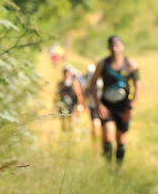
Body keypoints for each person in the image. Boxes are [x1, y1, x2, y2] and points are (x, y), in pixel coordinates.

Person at [88, 36, 141, 169]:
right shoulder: (103, 64)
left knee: (121, 138)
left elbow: (138, 86)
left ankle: (118, 168)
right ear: (108, 47)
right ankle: (108, 168)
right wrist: (98, 104)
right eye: (112, 45)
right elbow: (92, 84)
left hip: (123, 106)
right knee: (108, 138)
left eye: (117, 45)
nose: (114, 48)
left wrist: (131, 107)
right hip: (107, 106)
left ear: (122, 47)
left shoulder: (130, 64)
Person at [56, 66, 85, 131]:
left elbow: (79, 94)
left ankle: (72, 128)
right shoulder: (61, 83)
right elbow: (58, 94)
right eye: (65, 72)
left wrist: (80, 104)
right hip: (63, 102)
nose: (66, 74)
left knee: (72, 115)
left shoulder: (74, 82)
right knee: (62, 115)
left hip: (72, 102)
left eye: (68, 72)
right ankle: (64, 129)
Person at [80, 63, 102, 144]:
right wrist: (83, 103)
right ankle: (95, 142)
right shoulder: (90, 78)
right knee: (96, 125)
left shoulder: (104, 77)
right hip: (93, 105)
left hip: (104, 106)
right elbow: (87, 90)